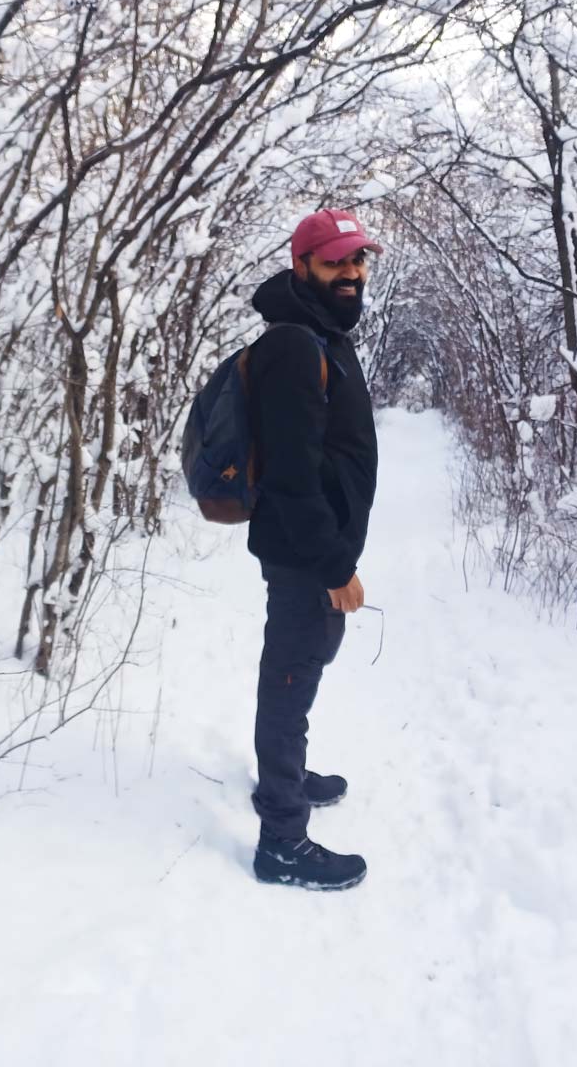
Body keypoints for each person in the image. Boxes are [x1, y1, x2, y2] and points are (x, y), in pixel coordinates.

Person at [244, 208, 381, 891]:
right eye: (335, 263)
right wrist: (334, 566)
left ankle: (286, 775)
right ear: (303, 266)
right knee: (292, 674)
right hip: (305, 551)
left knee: (305, 663)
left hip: (317, 545)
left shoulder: (325, 336)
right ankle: (282, 838)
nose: (351, 274)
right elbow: (293, 477)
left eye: (358, 262)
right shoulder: (296, 346)